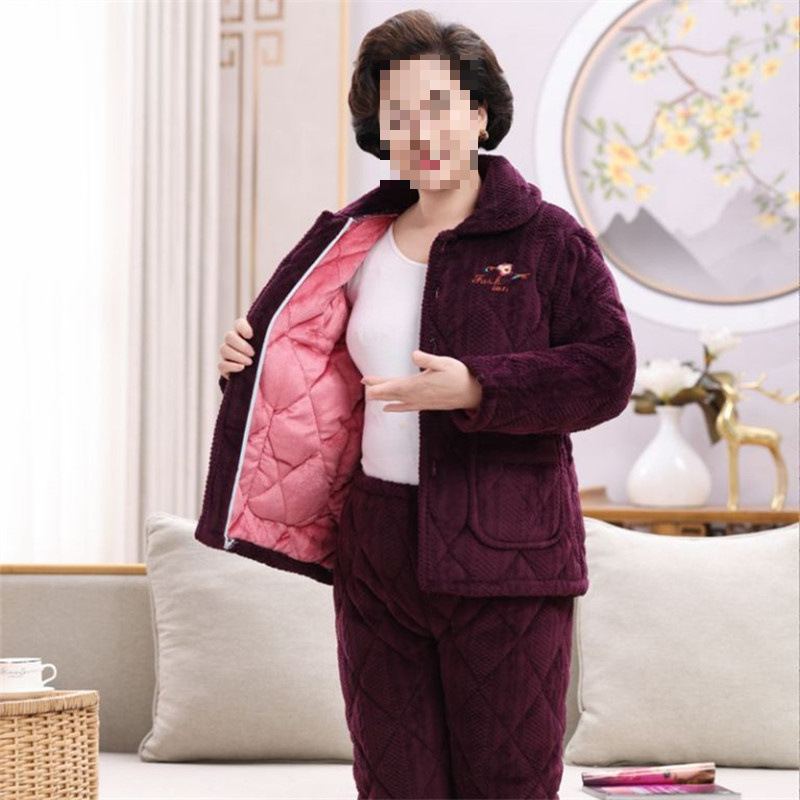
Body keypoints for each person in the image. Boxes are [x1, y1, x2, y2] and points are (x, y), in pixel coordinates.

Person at [204, 9, 637, 800]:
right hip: (377, 548)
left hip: (507, 551)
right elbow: (306, 365)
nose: (420, 131)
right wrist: (247, 356)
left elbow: (608, 370)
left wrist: (478, 387)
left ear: (480, 113)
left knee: (505, 785)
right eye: (398, 114)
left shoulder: (546, 239)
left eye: (439, 106)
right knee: (392, 784)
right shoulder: (352, 240)